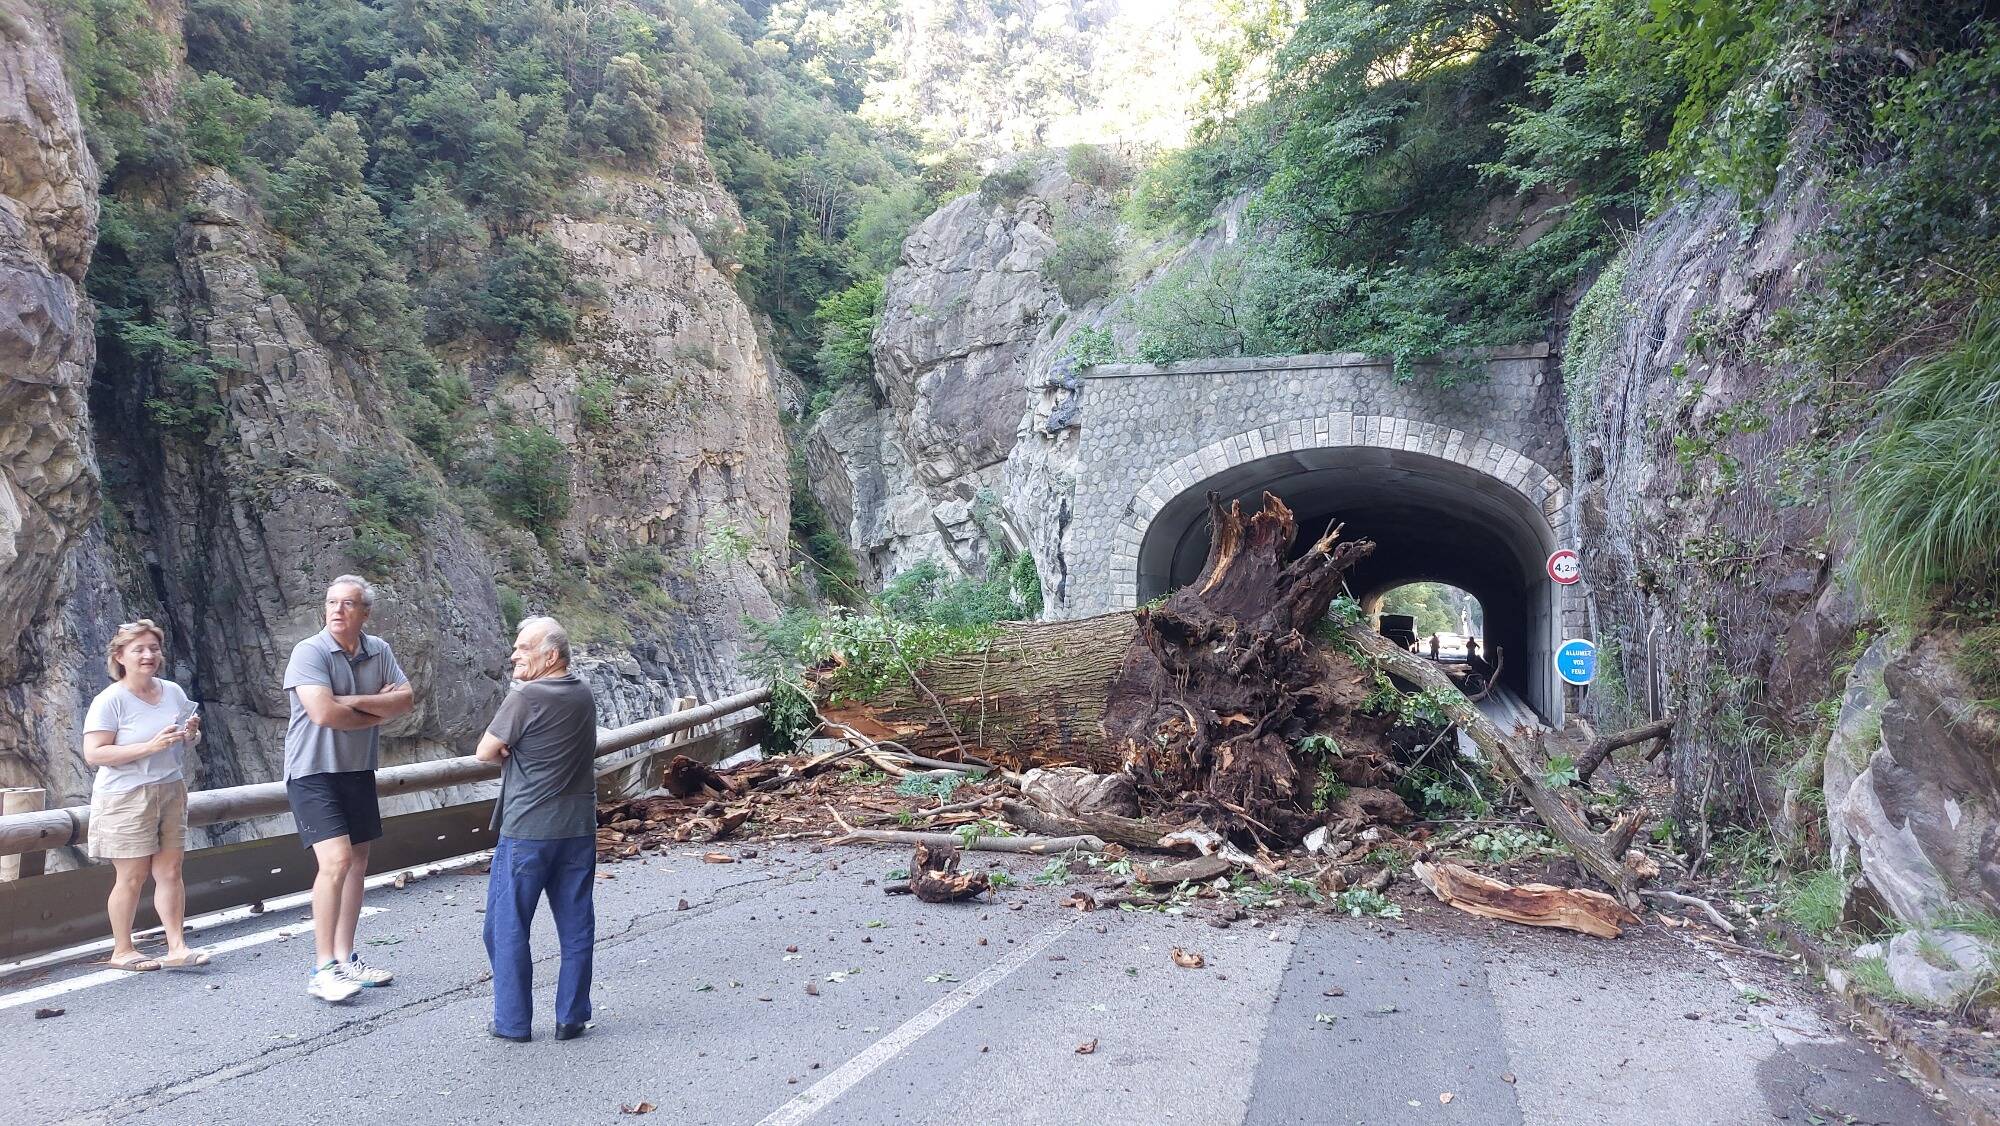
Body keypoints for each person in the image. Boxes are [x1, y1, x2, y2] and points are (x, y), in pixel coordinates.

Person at [283, 575, 415, 1003]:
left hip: (357, 769)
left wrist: (351, 702)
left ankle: (345, 957)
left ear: (365, 612)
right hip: (313, 771)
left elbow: (406, 700)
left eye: (348, 604)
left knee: (358, 862)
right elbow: (322, 714)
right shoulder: (310, 651)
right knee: (336, 861)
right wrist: (376, 709)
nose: (338, 610)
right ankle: (322, 968)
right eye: (331, 603)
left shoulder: (380, 651)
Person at [476, 616, 599, 1043]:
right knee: (576, 922)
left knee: (506, 926)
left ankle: (512, 1022)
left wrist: (511, 746)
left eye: (523, 648)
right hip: (578, 828)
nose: (514, 655)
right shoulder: (583, 694)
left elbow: (485, 752)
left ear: (550, 656)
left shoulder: (526, 697)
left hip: (528, 829)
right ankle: (571, 1016)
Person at [82, 619, 212, 971]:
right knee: (132, 875)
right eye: (138, 649)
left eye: (153, 648)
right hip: (126, 795)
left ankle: (177, 946)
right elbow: (94, 754)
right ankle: (122, 950)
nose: (148, 655)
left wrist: (191, 734)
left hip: (170, 788)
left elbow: (186, 741)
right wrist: (149, 746)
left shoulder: (171, 691)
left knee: (171, 870)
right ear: (120, 656)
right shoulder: (110, 701)